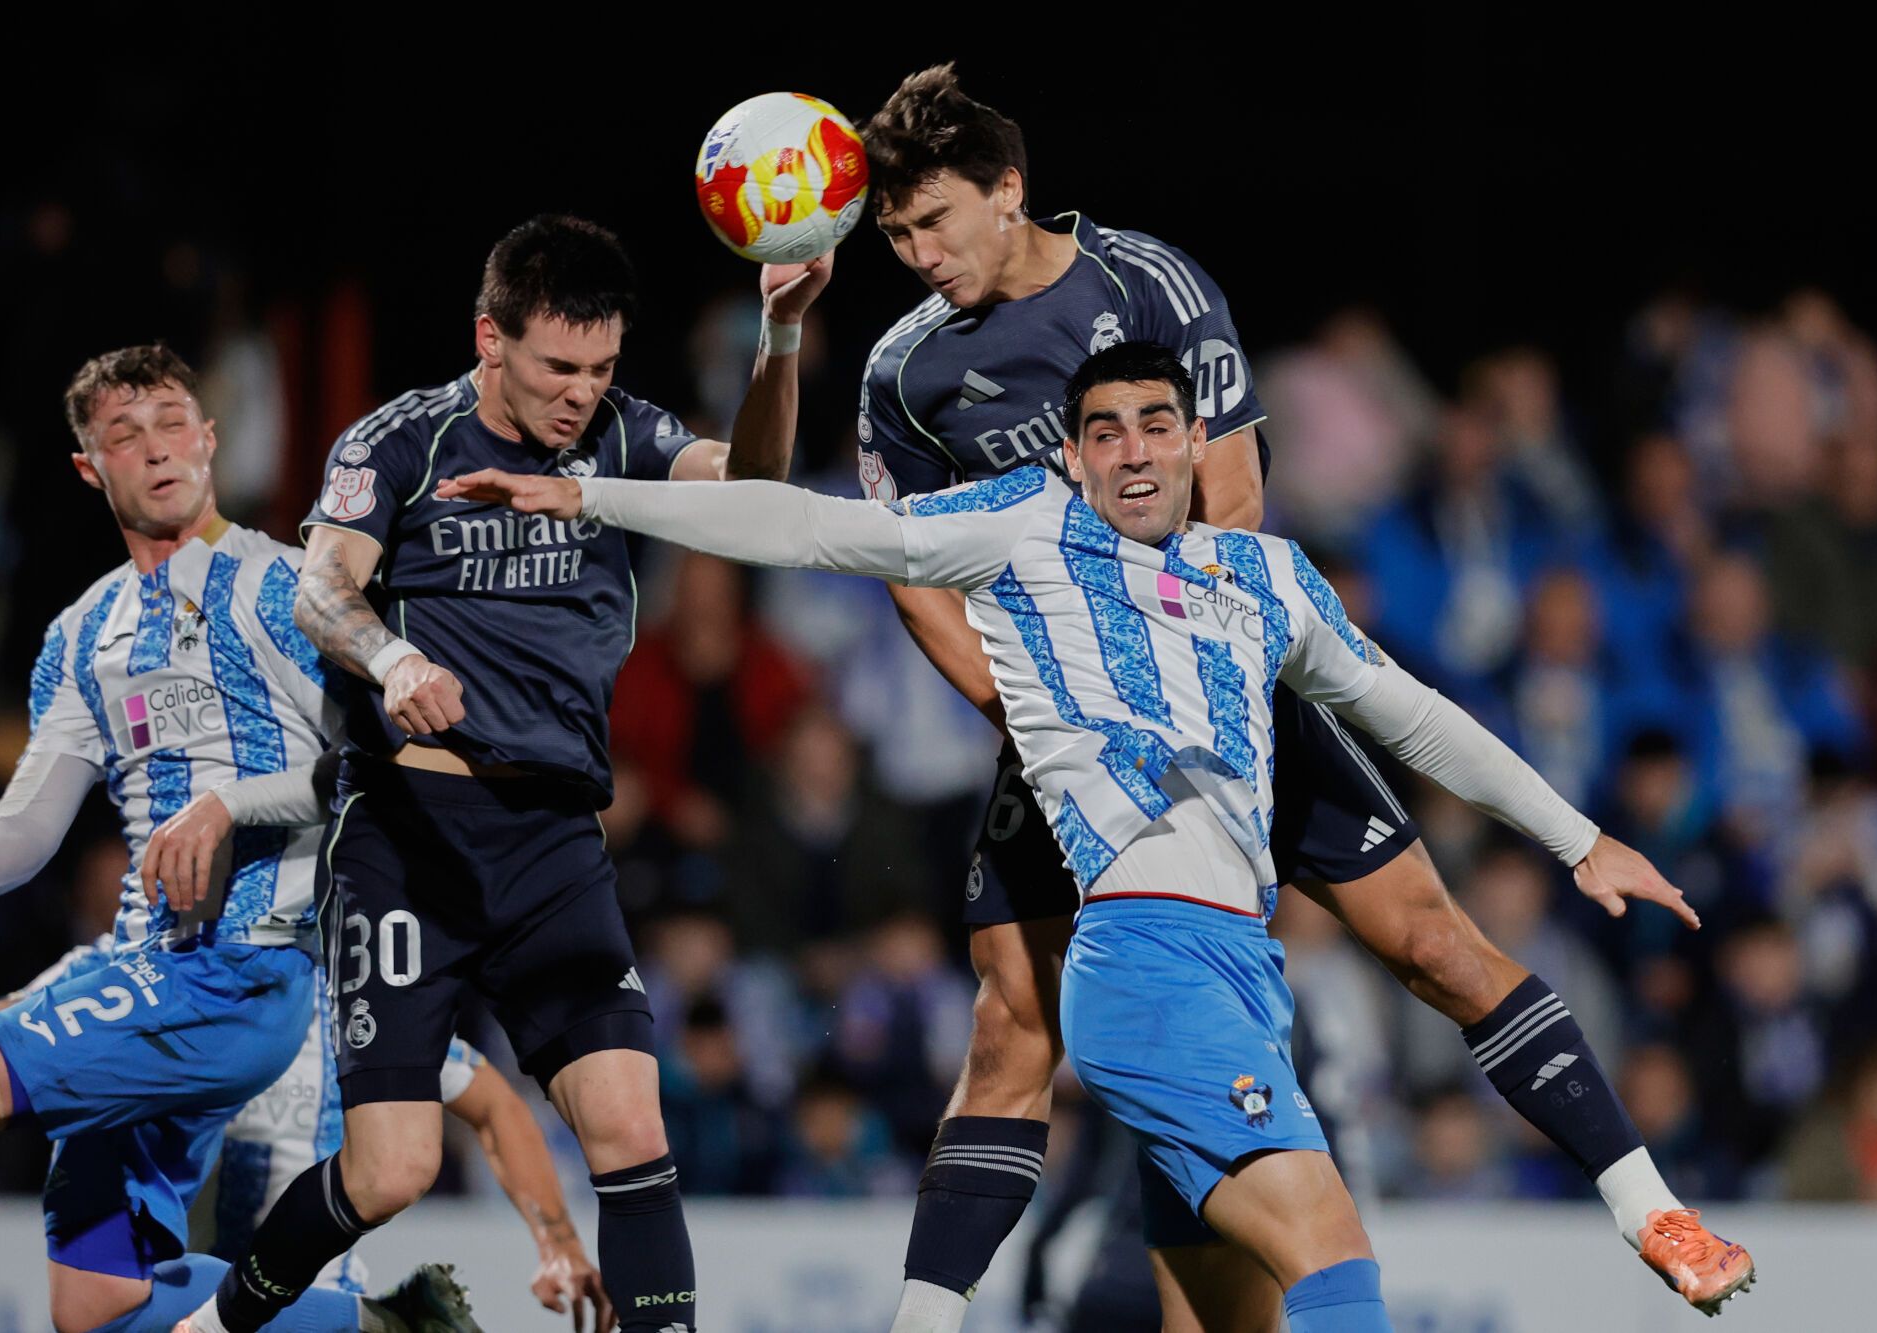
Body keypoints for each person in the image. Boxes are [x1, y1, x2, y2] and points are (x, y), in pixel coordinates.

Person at [437, 340, 1759, 1328]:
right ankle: (1650, 1211)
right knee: (1339, 1266)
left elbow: (1417, 717)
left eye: (1156, 425)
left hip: (1243, 974)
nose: (1131, 450)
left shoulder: (1265, 578)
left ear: (1197, 443)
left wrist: (1580, 837)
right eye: (1105, 430)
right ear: (1072, 452)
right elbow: (810, 528)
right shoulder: (1023, 533)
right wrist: (592, 502)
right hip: (1142, 966)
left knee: (1232, 1318)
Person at [834, 65, 1741, 1330]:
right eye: (894, 235)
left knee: (1436, 944)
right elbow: (904, 567)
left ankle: (1651, 1208)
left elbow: (1235, 501)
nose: (917, 254)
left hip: (1225, 686)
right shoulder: (901, 371)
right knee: (1008, 1031)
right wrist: (1014, 701)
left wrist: (1181, 670)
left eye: (933, 221)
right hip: (1070, 736)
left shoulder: (1147, 283)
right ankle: (919, 1324)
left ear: (1008, 192)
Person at [184, 214, 822, 1333]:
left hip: (555, 841)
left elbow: (755, 488)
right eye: (556, 367)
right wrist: (391, 655)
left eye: (601, 368)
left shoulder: (622, 436)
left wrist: (779, 338)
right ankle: (215, 1325)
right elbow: (319, 590)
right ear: (489, 336)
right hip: (408, 836)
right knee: (389, 1171)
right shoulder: (396, 443)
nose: (581, 393)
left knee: (630, 1125)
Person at [0, 345, 476, 1333]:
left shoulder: (292, 594)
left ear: (209, 440)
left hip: (237, 972)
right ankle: (374, 1327)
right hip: (146, 970)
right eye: (124, 435)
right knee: (101, 1312)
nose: (156, 449)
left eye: (173, 423)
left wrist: (228, 806)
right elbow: (35, 816)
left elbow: (371, 770)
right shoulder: (84, 632)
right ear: (91, 467)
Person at [0, 933, 610, 1327]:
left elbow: (498, 1105)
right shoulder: (118, 980)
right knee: (98, 1311)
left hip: (299, 1298)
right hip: (198, 1308)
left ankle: (376, 1323)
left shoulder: (340, 1005)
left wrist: (559, 1241)